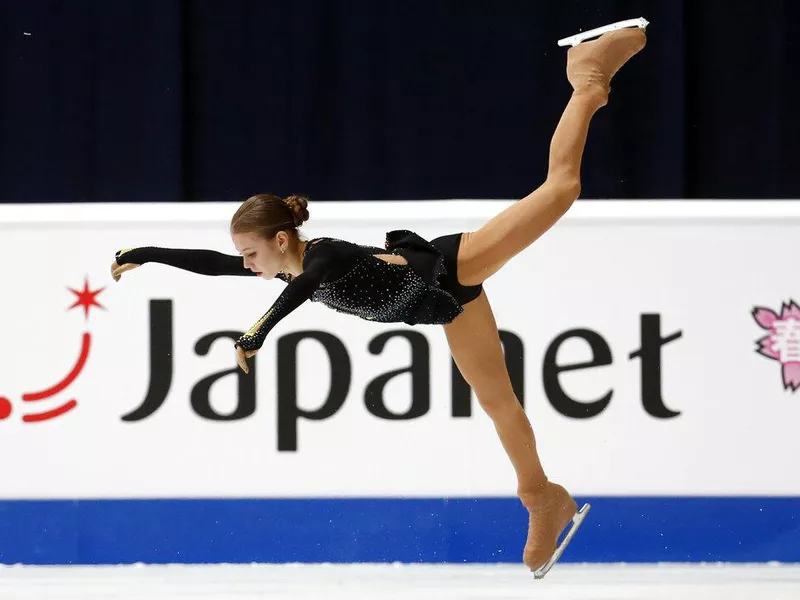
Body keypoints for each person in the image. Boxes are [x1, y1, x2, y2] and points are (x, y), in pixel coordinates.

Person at [111, 26, 646, 575]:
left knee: (560, 189)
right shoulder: (281, 267)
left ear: (279, 240)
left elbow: (300, 290)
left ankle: (587, 77)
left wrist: (257, 332)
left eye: (251, 252)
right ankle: (542, 496)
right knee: (496, 402)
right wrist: (146, 253)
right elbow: (214, 264)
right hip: (443, 302)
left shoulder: (322, 257)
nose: (246, 264)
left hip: (451, 265)